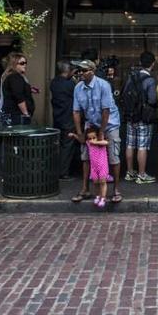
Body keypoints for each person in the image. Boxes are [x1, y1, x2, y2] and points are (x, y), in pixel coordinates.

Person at [71, 59, 122, 204]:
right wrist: (80, 133)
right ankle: (85, 189)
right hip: (91, 123)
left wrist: (102, 132)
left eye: (83, 70)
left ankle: (116, 190)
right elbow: (76, 111)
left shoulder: (103, 85)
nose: (80, 73)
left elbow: (106, 110)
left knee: (113, 156)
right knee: (86, 156)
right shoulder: (78, 88)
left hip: (110, 123)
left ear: (92, 72)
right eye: (79, 70)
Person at [124, 51, 157, 184]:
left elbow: (125, 94)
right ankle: (142, 175)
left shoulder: (131, 77)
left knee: (130, 144)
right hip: (144, 117)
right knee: (142, 146)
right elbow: (153, 99)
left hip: (131, 116)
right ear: (153, 64)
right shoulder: (150, 80)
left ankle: (130, 172)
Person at [70, 126, 110, 209]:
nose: (92, 140)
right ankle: (98, 196)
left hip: (102, 166)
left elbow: (106, 142)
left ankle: (103, 197)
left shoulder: (101, 143)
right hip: (94, 166)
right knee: (95, 182)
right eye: (90, 138)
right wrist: (74, 135)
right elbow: (81, 140)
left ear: (98, 136)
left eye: (94, 137)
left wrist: (96, 142)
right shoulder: (88, 143)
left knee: (103, 182)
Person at [50, 60, 77, 180]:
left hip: (57, 117)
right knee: (67, 145)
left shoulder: (54, 82)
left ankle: (57, 169)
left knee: (59, 144)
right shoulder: (70, 85)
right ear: (68, 71)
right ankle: (63, 172)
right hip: (68, 118)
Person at [2, 52, 35, 125]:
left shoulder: (14, 76)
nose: (25, 65)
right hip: (17, 116)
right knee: (18, 136)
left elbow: (16, 91)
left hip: (15, 115)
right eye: (22, 63)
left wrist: (30, 89)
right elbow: (19, 97)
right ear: (14, 64)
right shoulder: (15, 77)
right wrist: (26, 114)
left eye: (25, 62)